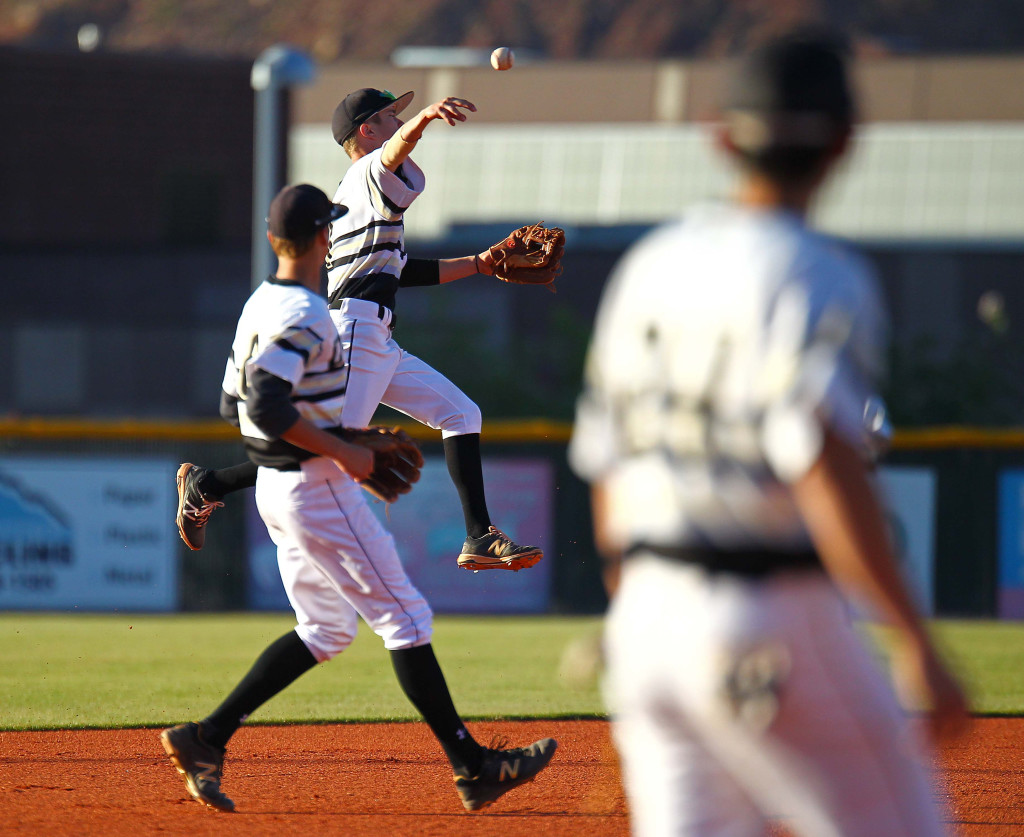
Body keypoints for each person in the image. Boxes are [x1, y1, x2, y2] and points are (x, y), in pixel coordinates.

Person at [568, 31, 968, 837]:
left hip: (646, 621)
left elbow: (606, 465)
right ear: (848, 142)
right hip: (767, 618)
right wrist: (912, 635)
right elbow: (819, 458)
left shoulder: (650, 263)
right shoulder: (819, 269)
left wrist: (636, 606)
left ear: (720, 135)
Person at [161, 184, 556, 814]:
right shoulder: (311, 315)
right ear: (323, 239)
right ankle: (473, 766)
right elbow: (264, 401)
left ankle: (206, 737)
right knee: (406, 621)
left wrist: (326, 436)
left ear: (273, 239)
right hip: (316, 488)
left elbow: (234, 406)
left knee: (324, 630)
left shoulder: (260, 303)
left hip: (280, 491)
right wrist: (342, 449)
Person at [176, 88, 543, 573]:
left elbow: (402, 270)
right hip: (354, 335)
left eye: (402, 115)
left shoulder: (360, 201)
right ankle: (208, 485)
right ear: (366, 130)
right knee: (324, 449)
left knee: (461, 414)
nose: (399, 121)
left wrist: (479, 263)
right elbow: (393, 154)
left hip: (375, 338)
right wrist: (428, 118)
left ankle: (478, 535)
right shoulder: (366, 173)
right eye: (391, 115)